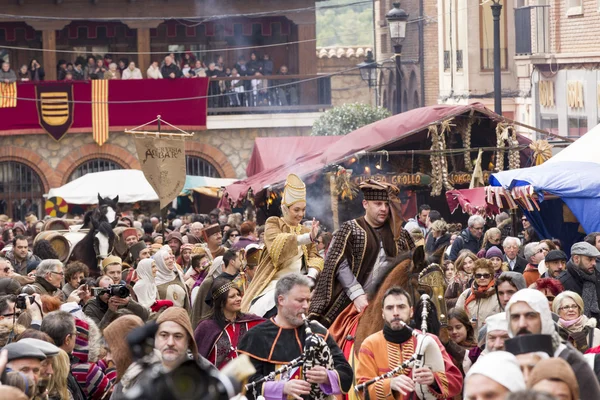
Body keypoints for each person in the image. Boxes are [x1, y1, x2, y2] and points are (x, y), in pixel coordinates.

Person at [309, 180, 414, 326]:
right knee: (328, 334)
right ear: (365, 204)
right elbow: (338, 263)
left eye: (386, 204)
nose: (384, 209)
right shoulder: (349, 229)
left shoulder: (401, 234)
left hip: (394, 301)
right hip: (353, 299)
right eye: (378, 204)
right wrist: (357, 295)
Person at [238, 273, 353, 400]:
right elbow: (244, 382)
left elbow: (345, 372)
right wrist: (282, 388)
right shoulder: (256, 336)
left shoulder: (318, 332)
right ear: (281, 300)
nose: (306, 306)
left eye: (308, 300)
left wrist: (327, 376)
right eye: (300, 300)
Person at [356, 286, 462, 399]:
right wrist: (390, 384)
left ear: (411, 311)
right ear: (382, 313)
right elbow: (362, 390)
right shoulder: (370, 344)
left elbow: (456, 382)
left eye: (401, 307)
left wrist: (434, 380)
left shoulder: (429, 340)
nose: (395, 313)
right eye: (390, 308)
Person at [243, 174, 324, 318]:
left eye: (303, 210)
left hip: (302, 283)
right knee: (260, 312)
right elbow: (277, 247)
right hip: (274, 284)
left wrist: (310, 277)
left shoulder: (305, 229)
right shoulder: (273, 223)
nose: (301, 214)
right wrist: (308, 238)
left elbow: (315, 258)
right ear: (285, 209)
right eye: (296, 210)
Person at [505, 288, 600, 398]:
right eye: (515, 317)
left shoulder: (570, 361)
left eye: (530, 316)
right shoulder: (504, 360)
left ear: (544, 318)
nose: (522, 324)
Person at [194, 278, 264, 369]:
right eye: (232, 296)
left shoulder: (252, 322)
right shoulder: (207, 327)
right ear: (221, 302)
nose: (238, 298)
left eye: (238, 295)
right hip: (217, 381)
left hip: (248, 380)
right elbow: (196, 358)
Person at [40, 311, 87, 400]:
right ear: (67, 339)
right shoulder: (59, 371)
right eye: (75, 334)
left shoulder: (36, 361)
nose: (76, 337)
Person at [83, 275, 149, 329]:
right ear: (97, 291)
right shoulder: (91, 307)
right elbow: (97, 333)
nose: (109, 293)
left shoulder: (121, 300)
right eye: (105, 290)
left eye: (111, 288)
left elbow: (145, 316)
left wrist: (129, 303)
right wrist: (111, 311)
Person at [456, 259, 501, 336]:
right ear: (474, 276)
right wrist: (467, 323)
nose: (482, 278)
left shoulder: (499, 295)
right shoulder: (466, 294)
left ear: (492, 276)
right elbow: (456, 318)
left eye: (486, 275)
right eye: (478, 275)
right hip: (470, 341)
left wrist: (492, 323)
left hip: (491, 340)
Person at [103, 315, 145, 397]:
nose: (107, 359)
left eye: (111, 351)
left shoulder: (145, 384)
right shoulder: (127, 378)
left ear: (125, 350)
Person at [559, 242, 600, 321]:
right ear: (576, 259)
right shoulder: (561, 281)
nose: (594, 263)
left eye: (595, 259)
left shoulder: (597, 276)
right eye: (590, 259)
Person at [444, 308, 479, 375]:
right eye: (449, 329)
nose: (454, 332)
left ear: (467, 327)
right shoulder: (443, 350)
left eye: (458, 327)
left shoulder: (475, 351)